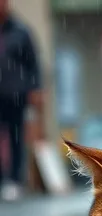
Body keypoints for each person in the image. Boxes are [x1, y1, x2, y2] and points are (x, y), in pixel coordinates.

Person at [0, 0, 44, 200]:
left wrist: (36, 88)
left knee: (16, 138)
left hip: (16, 94)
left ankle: (15, 181)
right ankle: (2, 179)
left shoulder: (20, 31)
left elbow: (33, 63)